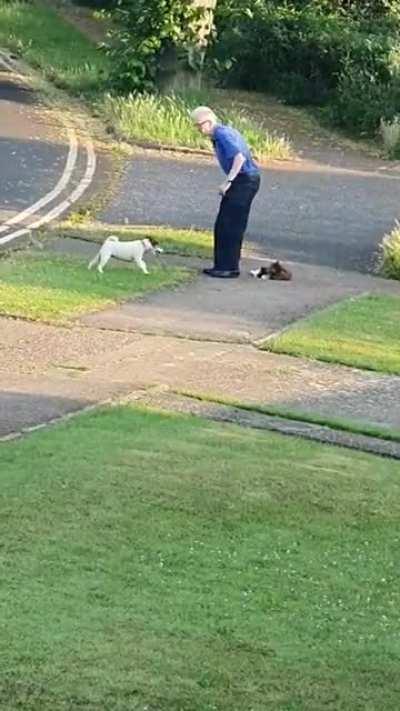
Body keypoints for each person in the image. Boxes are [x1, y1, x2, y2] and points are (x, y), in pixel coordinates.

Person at [191, 106, 260, 278]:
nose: (198, 129)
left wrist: (228, 181)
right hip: (245, 180)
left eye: (199, 125)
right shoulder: (221, 134)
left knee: (228, 224)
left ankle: (227, 268)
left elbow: (239, 157)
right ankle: (225, 265)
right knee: (226, 224)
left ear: (209, 121)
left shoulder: (222, 134)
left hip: (244, 180)